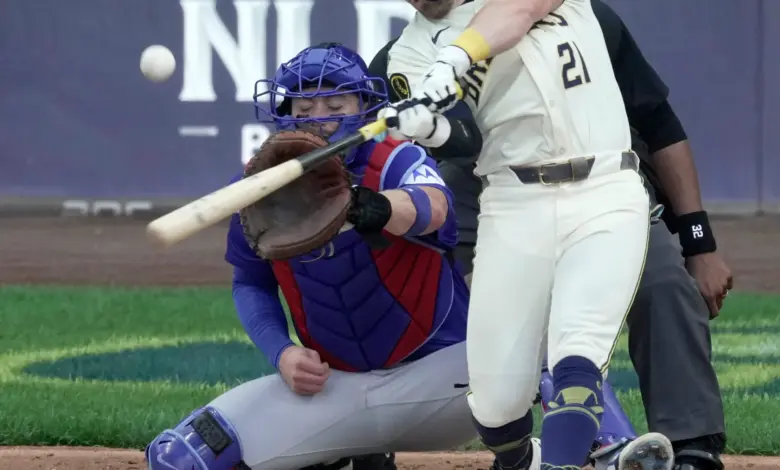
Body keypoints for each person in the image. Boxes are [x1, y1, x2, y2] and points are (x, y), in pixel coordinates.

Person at [144, 43, 668, 470]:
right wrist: (281, 352)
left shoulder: (393, 158)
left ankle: (611, 450)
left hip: (447, 381)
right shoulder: (260, 185)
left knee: (542, 341)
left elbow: (434, 208)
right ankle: (343, 456)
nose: (319, 120)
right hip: (335, 390)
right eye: (304, 109)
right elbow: (250, 283)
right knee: (179, 455)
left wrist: (367, 206)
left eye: (335, 107)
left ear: (362, 108)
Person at [369, 1, 731, 469]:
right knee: (495, 401)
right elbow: (465, 141)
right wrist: (433, 127)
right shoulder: (405, 56)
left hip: (605, 182)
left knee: (592, 341)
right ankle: (515, 456)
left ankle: (688, 444)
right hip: (505, 196)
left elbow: (657, 122)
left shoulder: (577, 9)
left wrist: (699, 241)